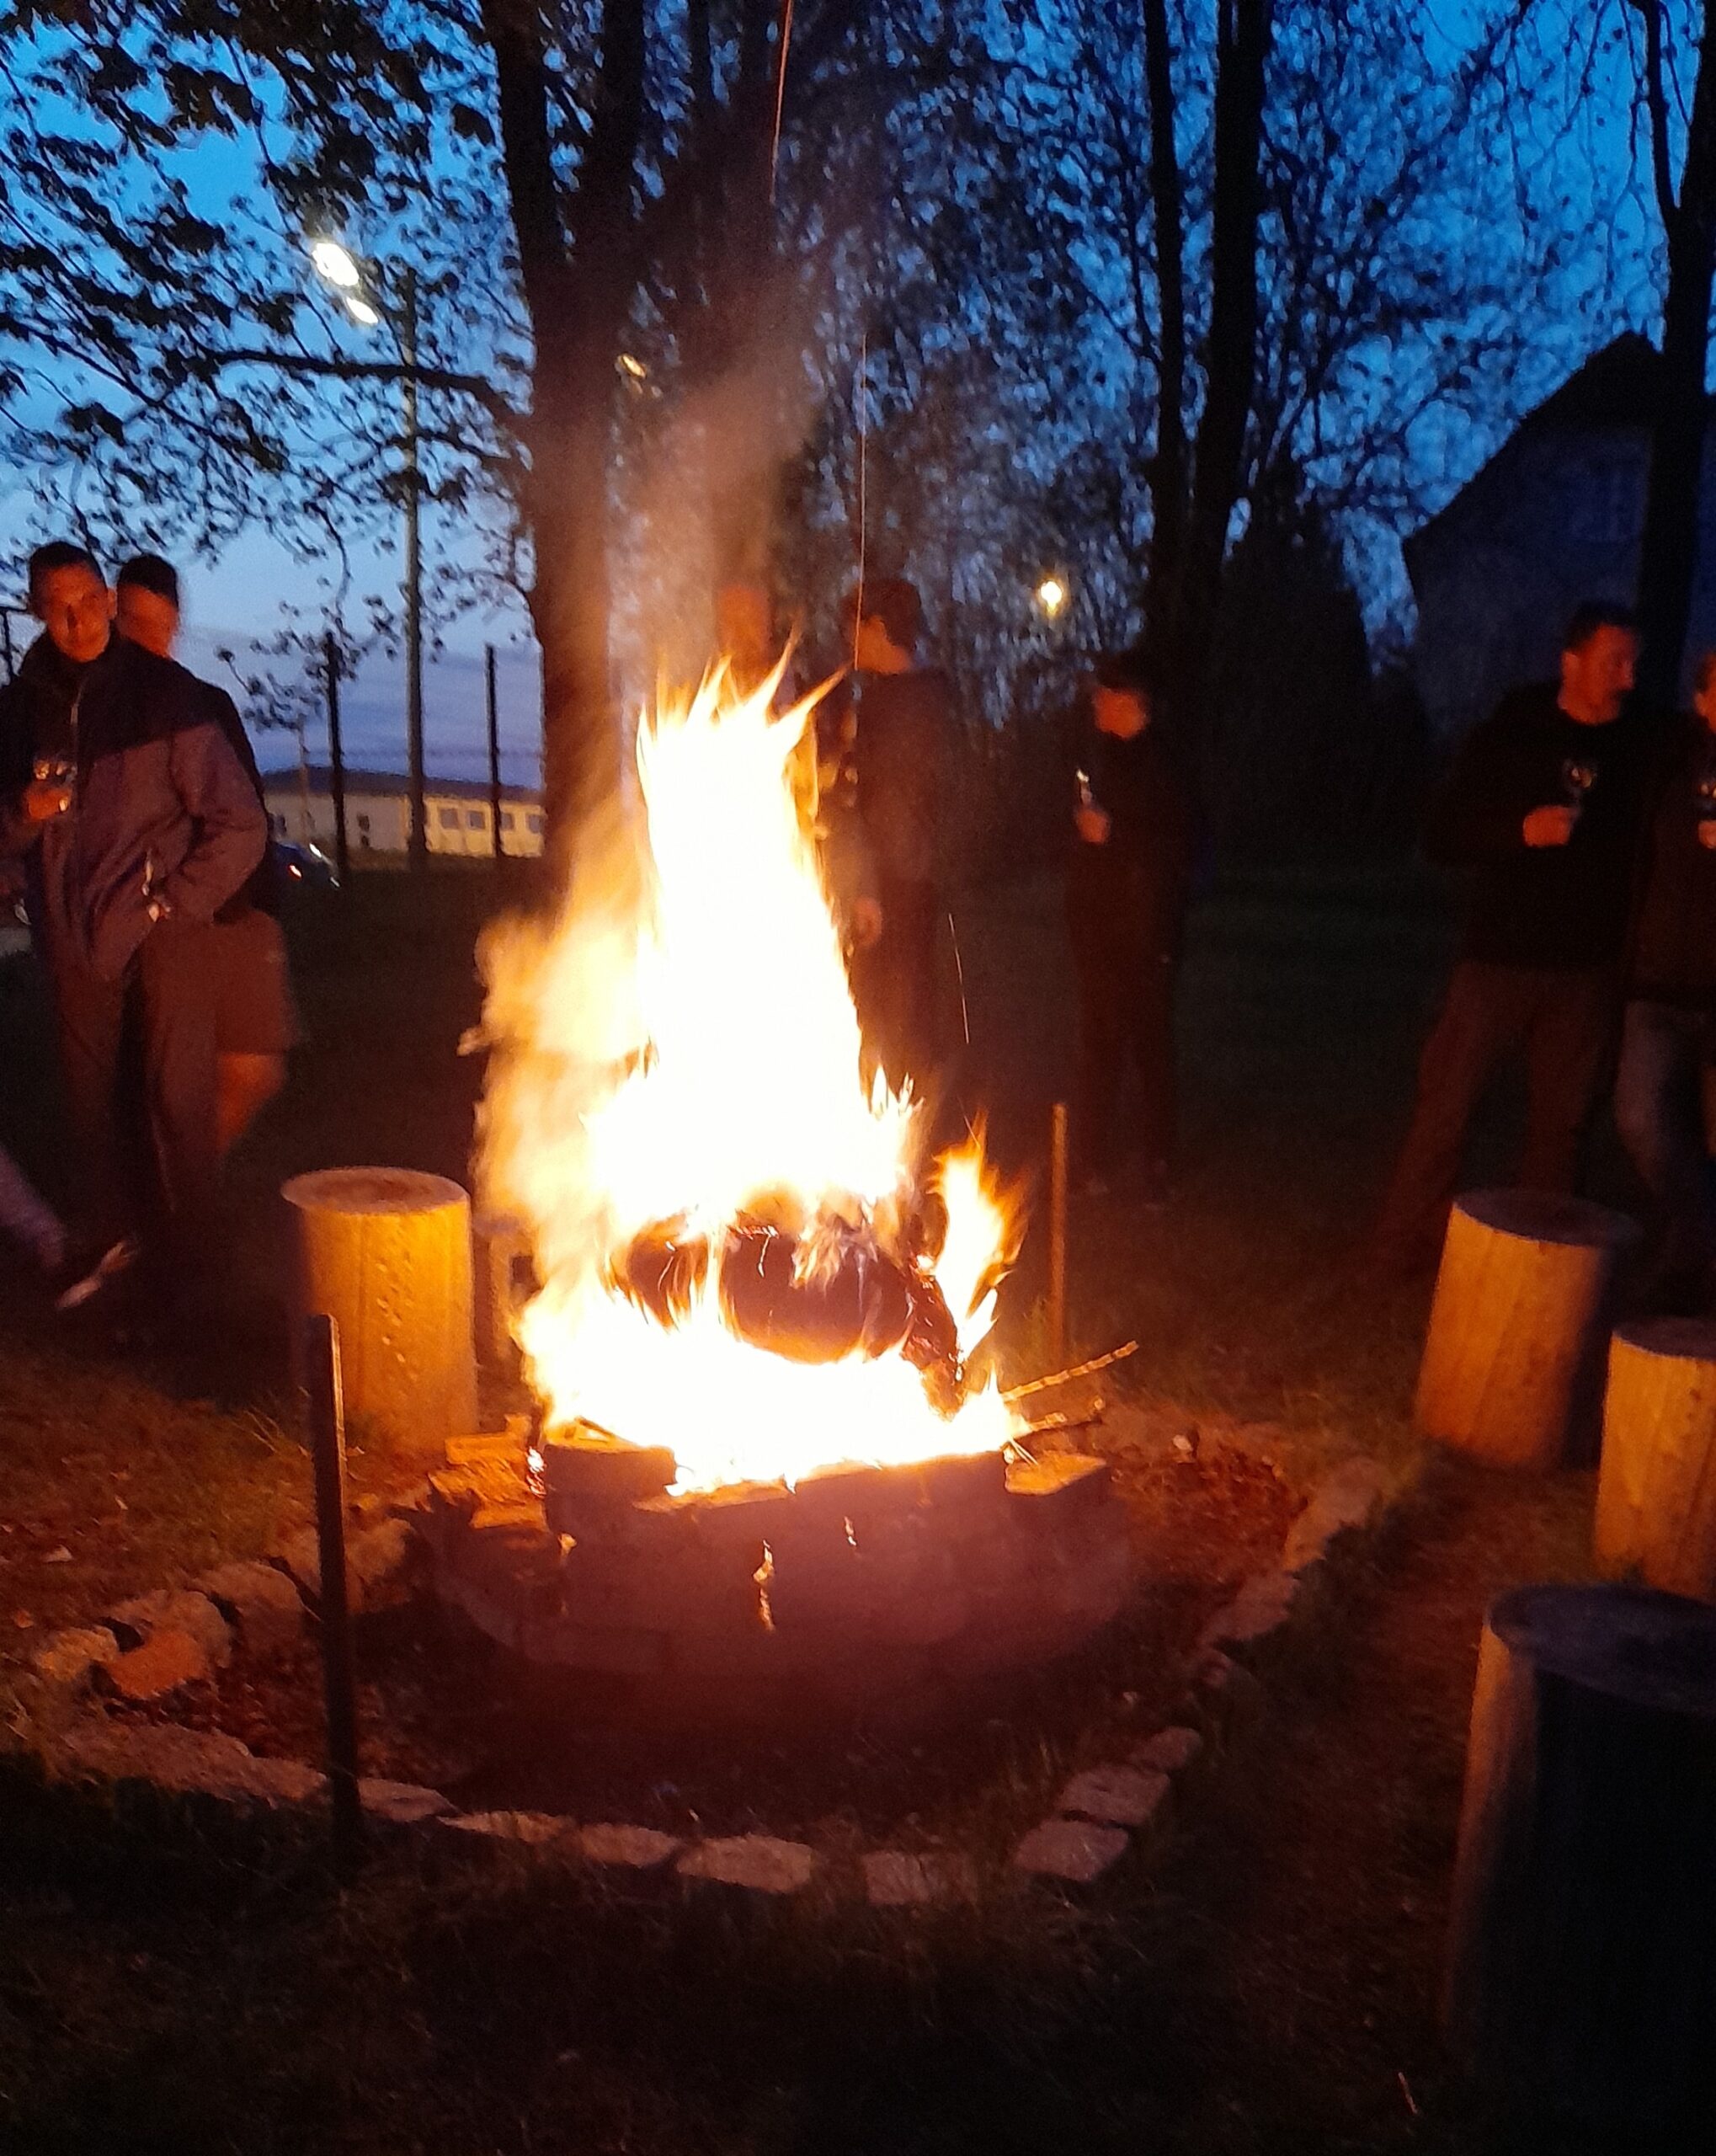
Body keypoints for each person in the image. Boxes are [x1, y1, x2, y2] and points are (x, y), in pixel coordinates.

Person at [0, 542, 265, 1312]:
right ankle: (126, 1275)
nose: (78, 620)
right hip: (72, 944)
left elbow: (241, 824)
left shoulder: (164, 696)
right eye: (59, 607)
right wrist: (22, 814)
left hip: (161, 938)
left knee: (173, 1107)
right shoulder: (19, 711)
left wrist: (171, 905)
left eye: (89, 601)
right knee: (97, 1118)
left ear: (109, 601)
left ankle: (195, 1279)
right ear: (37, 611)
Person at [1370, 600, 1656, 1275]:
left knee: (1561, 1124)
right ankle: (1401, 1245)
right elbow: (1443, 833)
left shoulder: (1641, 744)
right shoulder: (1514, 732)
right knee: (1448, 1103)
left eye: (1634, 663)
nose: (1628, 677)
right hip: (1500, 958)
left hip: (1584, 966)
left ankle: (1538, 1261)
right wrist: (1518, 832)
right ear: (1571, 662)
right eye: (1615, 662)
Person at [115, 553, 294, 1155]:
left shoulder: (205, 703)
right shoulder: (107, 713)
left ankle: (189, 1176)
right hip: (170, 923)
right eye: (132, 623)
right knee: (173, 1082)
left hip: (238, 913)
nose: (146, 639)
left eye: (157, 624)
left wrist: (259, 898)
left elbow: (244, 810)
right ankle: (177, 1187)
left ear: (175, 622)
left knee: (255, 1068)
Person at [1065, 651, 1196, 1202]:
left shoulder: (1167, 767)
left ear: (1130, 702)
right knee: (1099, 1049)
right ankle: (1089, 1162)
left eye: (1104, 694)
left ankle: (1157, 1163)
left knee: (1150, 1050)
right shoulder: (1099, 758)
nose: (1096, 702)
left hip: (1146, 936)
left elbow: (1180, 851)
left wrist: (1114, 836)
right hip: (1100, 934)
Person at [1612, 648, 1716, 1305]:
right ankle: (1701, 1237)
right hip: (1657, 984)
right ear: (1701, 700)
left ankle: (1689, 1279)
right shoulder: (1668, 762)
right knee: (1640, 1118)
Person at [840, 577, 950, 1092]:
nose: (849, 640)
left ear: (879, 629)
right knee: (894, 1015)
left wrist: (871, 889)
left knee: (897, 1020)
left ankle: (906, 1115)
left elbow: (891, 807)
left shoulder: (908, 708)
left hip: (899, 889)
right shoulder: (903, 699)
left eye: (854, 628)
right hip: (905, 884)